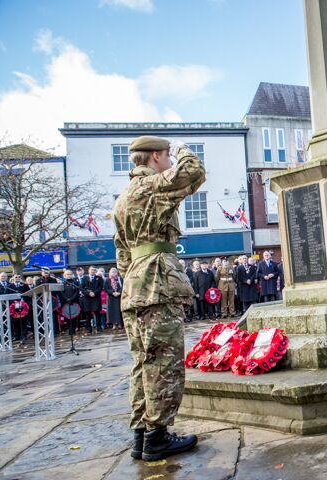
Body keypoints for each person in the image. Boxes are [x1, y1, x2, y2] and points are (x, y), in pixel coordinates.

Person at [113, 135, 204, 460]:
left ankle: (142, 434)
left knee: (142, 363)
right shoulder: (151, 186)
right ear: (154, 157)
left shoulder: (124, 198)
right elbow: (193, 172)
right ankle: (158, 437)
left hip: (135, 286)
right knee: (164, 363)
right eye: (166, 155)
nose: (170, 160)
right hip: (156, 284)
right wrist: (183, 147)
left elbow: (122, 254)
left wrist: (135, 282)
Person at [80, 266, 103, 333]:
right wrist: (88, 293)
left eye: (94, 270)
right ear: (88, 270)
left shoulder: (99, 278)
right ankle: (88, 328)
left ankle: (98, 327)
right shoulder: (84, 278)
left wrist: (94, 293)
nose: (93, 271)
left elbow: (100, 287)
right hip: (87, 298)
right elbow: (81, 288)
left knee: (97, 313)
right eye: (91, 270)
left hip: (96, 297)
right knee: (88, 314)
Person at [60, 269, 82, 336]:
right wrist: (67, 299)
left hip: (74, 302)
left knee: (74, 316)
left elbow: (77, 292)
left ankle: (74, 329)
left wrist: (72, 299)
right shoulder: (62, 283)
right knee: (67, 317)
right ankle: (69, 330)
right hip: (65, 302)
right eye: (67, 274)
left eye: (70, 274)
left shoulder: (75, 282)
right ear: (64, 275)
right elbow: (61, 293)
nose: (69, 275)